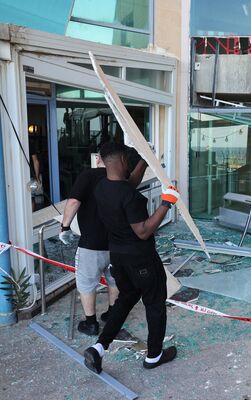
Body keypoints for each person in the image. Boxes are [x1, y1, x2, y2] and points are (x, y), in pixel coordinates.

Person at [83, 142, 179, 373]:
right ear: (125, 161)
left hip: (118, 256)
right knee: (155, 304)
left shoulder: (102, 187)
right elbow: (143, 230)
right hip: (141, 258)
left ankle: (99, 347)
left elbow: (128, 185)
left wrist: (145, 160)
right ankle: (154, 356)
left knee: (125, 299)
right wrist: (167, 203)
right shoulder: (129, 196)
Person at [59, 152, 148, 336]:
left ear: (99, 158)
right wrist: (144, 161)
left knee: (86, 283)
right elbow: (134, 183)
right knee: (114, 279)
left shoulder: (88, 175)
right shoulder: (121, 180)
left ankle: (91, 323)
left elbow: (74, 201)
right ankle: (111, 315)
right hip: (117, 242)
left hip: (91, 243)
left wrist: (65, 227)